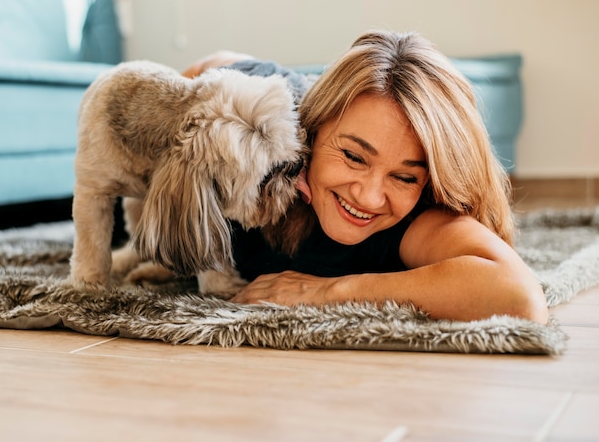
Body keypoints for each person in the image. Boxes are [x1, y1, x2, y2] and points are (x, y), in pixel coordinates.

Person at [182, 30, 548, 324]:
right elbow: (210, 67)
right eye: (354, 156)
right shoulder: (252, 129)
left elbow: (520, 296)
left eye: (404, 177)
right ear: (314, 127)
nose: (370, 197)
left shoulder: (414, 218)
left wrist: (329, 291)